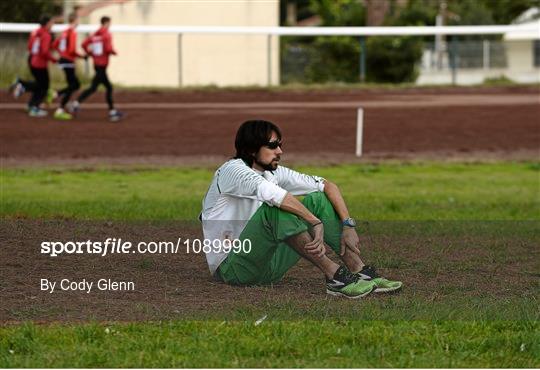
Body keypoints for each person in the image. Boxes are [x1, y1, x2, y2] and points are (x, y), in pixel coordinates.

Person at [200, 120, 403, 299]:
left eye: (280, 145)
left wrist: (348, 224)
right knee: (276, 208)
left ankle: (359, 270)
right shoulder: (232, 170)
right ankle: (335, 277)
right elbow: (275, 196)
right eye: (272, 146)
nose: (280, 151)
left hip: (270, 265)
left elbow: (327, 186)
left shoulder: (273, 172)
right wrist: (314, 221)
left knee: (318, 199)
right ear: (252, 150)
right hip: (233, 268)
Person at [68, 16, 123, 122]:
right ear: (106, 23)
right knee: (108, 88)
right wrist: (113, 52)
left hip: (96, 64)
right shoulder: (106, 35)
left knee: (94, 88)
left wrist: (90, 53)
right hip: (102, 65)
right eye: (109, 23)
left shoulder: (95, 35)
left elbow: (84, 44)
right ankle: (112, 112)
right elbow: (108, 48)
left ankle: (76, 104)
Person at [10, 15, 57, 117]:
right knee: (44, 87)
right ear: (47, 23)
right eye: (52, 23)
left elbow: (30, 46)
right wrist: (53, 60)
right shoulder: (46, 35)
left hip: (32, 59)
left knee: (40, 85)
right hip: (40, 63)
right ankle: (32, 104)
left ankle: (29, 102)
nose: (53, 25)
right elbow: (44, 51)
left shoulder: (35, 32)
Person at [52, 12, 82, 120]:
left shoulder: (64, 32)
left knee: (74, 85)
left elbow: (54, 45)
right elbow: (72, 50)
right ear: (74, 20)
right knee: (74, 85)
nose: (79, 22)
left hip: (63, 60)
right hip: (68, 61)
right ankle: (59, 108)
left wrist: (61, 54)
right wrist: (81, 56)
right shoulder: (72, 32)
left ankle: (60, 98)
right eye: (78, 19)